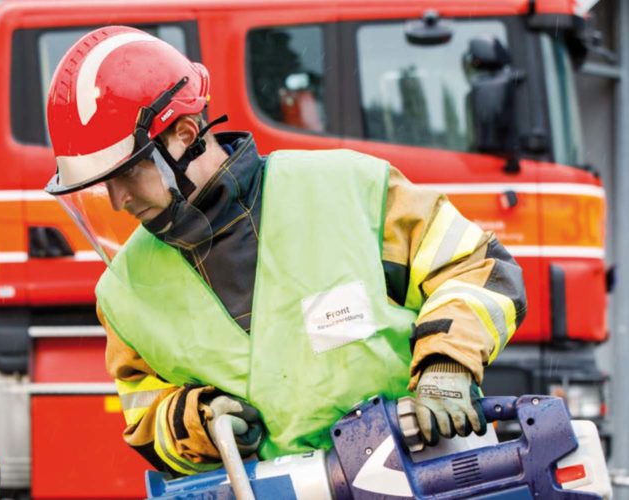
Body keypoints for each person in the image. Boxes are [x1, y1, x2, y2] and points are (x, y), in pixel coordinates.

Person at [44, 26, 527, 476]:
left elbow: (477, 268)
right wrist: (194, 423)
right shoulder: (122, 293)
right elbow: (143, 412)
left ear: (185, 135)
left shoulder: (349, 188)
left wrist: (447, 365)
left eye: (127, 173)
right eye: (102, 185)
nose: (118, 201)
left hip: (421, 474)